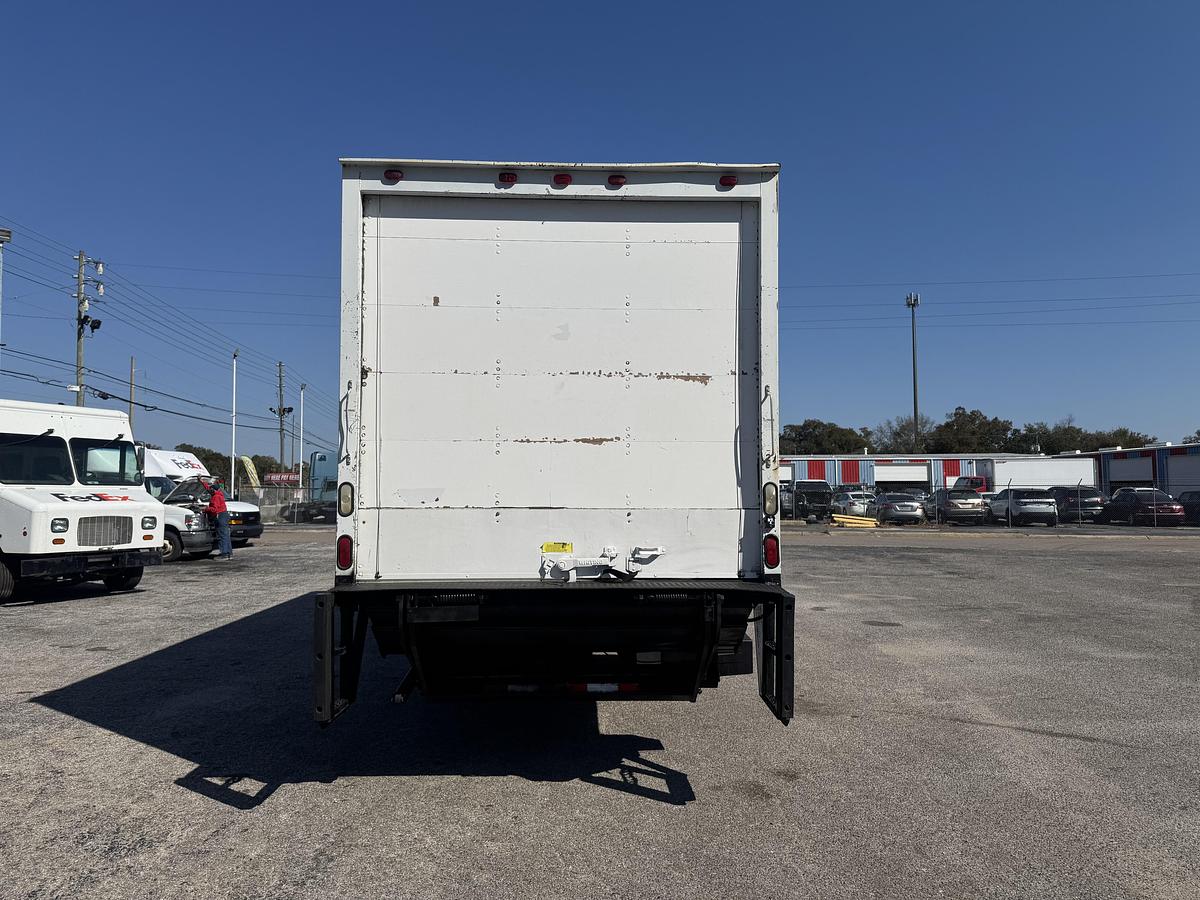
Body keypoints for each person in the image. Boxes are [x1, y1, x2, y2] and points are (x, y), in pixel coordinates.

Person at [205, 479, 233, 560]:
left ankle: (224, 554)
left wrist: (206, 509)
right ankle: (229, 554)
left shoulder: (215, 497)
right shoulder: (219, 494)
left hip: (220, 516)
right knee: (226, 536)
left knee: (222, 536)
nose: (209, 490)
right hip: (224, 515)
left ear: (213, 489)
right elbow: (207, 488)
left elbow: (214, 509)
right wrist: (202, 482)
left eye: (211, 489)